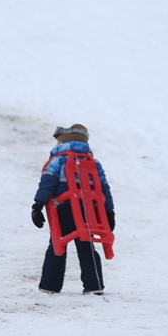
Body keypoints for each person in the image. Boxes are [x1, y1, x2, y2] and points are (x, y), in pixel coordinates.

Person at [31, 124, 115, 295]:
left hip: (65, 210)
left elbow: (48, 183)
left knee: (57, 244)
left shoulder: (58, 161)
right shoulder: (93, 163)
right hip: (89, 212)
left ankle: (50, 285)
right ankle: (94, 284)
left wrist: (37, 205)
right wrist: (109, 212)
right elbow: (104, 188)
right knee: (87, 245)